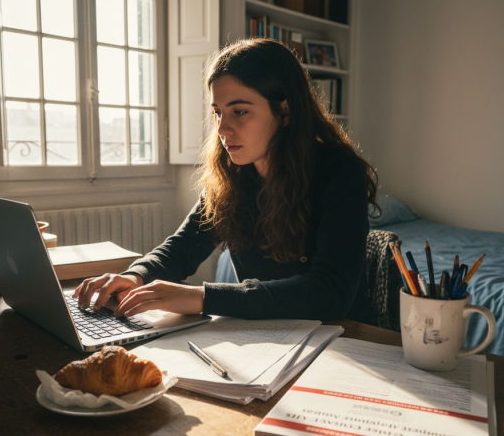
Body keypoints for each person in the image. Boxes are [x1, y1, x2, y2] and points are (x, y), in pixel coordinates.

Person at [75, 38, 379, 321]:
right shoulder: (233, 173)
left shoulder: (340, 172)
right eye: (218, 112)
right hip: (267, 333)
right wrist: (135, 276)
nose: (222, 129)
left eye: (240, 112)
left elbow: (330, 293)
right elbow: (184, 246)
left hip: (342, 337)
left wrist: (202, 297)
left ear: (286, 111)